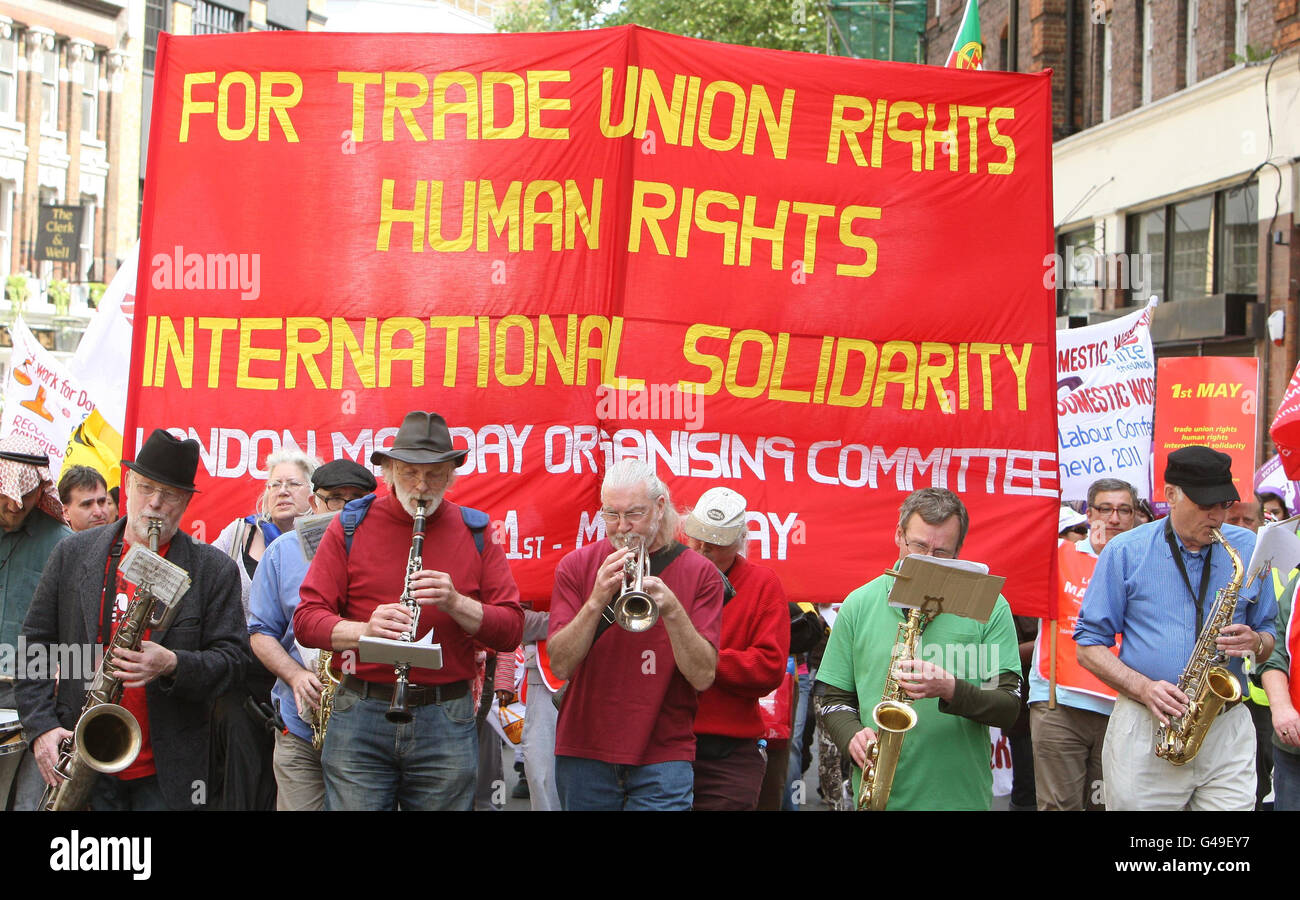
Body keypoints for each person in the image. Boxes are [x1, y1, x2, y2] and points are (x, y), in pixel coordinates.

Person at [294, 411, 523, 811]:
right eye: (410, 472)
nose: (421, 486)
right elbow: (307, 619)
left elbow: (510, 630)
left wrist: (457, 603)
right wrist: (364, 629)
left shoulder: (476, 531)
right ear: (388, 471)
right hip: (360, 711)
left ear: (452, 475)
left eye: (435, 474)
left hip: (446, 714)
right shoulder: (350, 525)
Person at [16, 429, 247, 810]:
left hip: (167, 771)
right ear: (127, 483)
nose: (155, 503)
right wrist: (41, 728)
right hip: (81, 758)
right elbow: (34, 646)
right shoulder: (72, 553)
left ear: (186, 501)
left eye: (170, 494)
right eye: (146, 488)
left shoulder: (213, 570)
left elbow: (235, 662)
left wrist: (173, 664)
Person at [1076, 445, 1277, 811]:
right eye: (1205, 505)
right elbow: (1088, 646)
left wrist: (1256, 641)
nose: (1217, 516)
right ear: (1171, 495)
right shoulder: (1125, 551)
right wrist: (1144, 687)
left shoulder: (1249, 547)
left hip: (1227, 727)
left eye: (1224, 505)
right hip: (1149, 723)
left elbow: (1268, 635)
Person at [816, 487, 1021, 810]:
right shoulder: (859, 603)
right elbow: (834, 699)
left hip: (960, 798)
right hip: (880, 796)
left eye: (941, 553)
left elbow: (1008, 706)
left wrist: (950, 689)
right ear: (899, 535)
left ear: (958, 551)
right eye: (919, 546)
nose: (928, 560)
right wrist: (851, 735)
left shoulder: (990, 606)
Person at [547, 459, 724, 811]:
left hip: (664, 752)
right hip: (584, 749)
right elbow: (561, 665)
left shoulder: (701, 572)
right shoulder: (576, 566)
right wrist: (597, 598)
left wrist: (673, 610)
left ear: (660, 507)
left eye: (635, 514)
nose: (622, 527)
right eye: (611, 514)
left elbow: (703, 676)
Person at [247, 458, 376, 810]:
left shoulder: (386, 555)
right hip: (301, 728)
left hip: (369, 733)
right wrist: (295, 675)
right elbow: (259, 631)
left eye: (358, 499)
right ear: (315, 502)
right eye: (335, 498)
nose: (346, 509)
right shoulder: (280, 554)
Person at [210, 449, 320, 810]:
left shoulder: (326, 541)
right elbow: (203, 583)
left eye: (293, 484)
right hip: (244, 674)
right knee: (244, 768)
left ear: (313, 494)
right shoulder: (239, 533)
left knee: (290, 778)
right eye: (275, 484)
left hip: (301, 678)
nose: (282, 491)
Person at [1029, 478, 1138, 810]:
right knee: (1058, 806)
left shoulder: (1147, 563)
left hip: (1122, 708)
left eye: (1124, 510)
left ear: (1135, 516)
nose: (1115, 518)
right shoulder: (1057, 555)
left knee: (1107, 806)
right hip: (1059, 704)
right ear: (1089, 514)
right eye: (1106, 509)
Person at [682, 487, 789, 811]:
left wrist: (703, 661)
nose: (702, 549)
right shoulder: (667, 573)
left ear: (739, 542)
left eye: (715, 543)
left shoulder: (762, 583)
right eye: (697, 538)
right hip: (664, 748)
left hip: (729, 753)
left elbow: (769, 667)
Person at [0, 436, 72, 809]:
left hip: (35, 693)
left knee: (30, 802)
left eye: (26, 495)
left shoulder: (63, 545)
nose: (15, 505)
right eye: (8, 492)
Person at [56, 465, 112, 532]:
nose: (98, 512)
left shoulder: (125, 540)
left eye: (102, 502)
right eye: (87, 504)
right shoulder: (55, 542)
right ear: (65, 512)